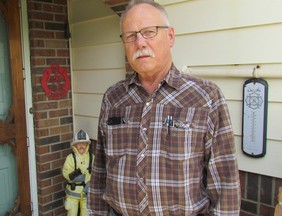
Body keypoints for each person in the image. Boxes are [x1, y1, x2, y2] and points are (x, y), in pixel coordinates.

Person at [88, 0, 241, 215]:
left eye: (149, 32)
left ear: (170, 36)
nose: (140, 42)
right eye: (130, 36)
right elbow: (100, 170)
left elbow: (225, 182)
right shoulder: (113, 98)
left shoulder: (205, 97)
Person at [63, 130, 95, 216]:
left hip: (86, 192)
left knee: (86, 213)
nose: (81, 146)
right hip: (73, 193)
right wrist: (72, 175)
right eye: (79, 144)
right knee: (71, 213)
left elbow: (96, 172)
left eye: (84, 144)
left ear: (87, 145)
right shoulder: (70, 158)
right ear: (75, 145)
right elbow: (65, 172)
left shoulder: (92, 157)